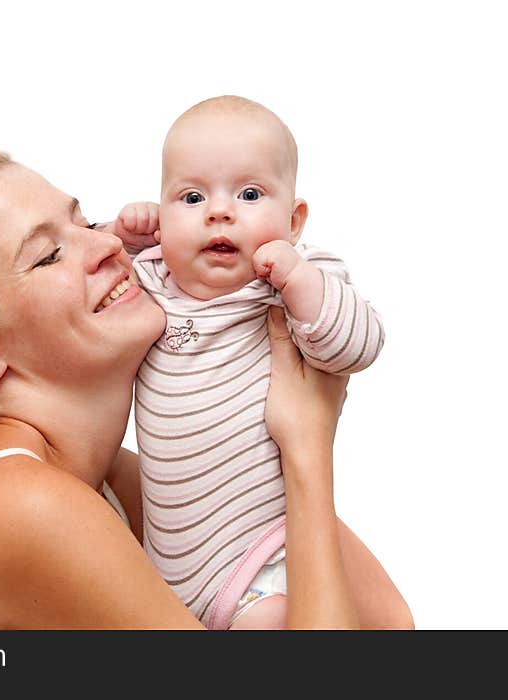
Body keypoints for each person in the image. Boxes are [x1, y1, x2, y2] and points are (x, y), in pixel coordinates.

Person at [0, 141, 411, 629]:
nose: (108, 245)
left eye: (83, 220)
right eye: (47, 255)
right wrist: (307, 444)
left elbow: (387, 626)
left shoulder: (112, 483)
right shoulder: (19, 503)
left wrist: (244, 350)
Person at [106, 96, 386, 629]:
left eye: (250, 194)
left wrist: (300, 282)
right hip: (171, 570)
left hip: (265, 559)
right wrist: (122, 237)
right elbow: (80, 278)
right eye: (190, 197)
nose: (219, 210)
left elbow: (360, 344)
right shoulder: (155, 283)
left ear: (294, 219)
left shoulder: (291, 284)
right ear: (162, 218)